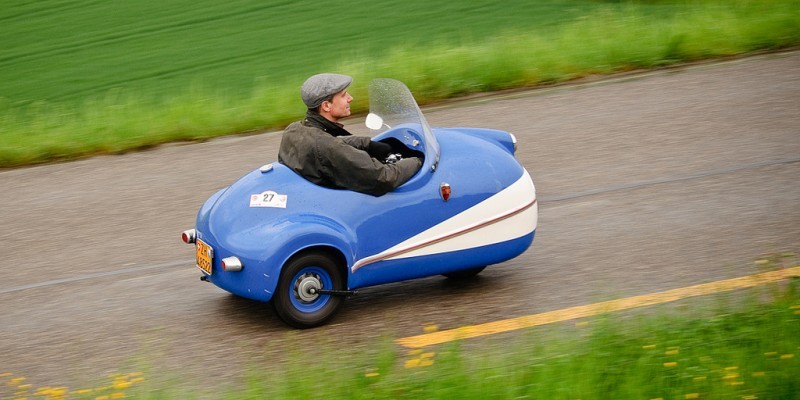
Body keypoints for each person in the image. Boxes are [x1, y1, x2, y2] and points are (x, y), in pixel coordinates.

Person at [278, 73, 422, 196]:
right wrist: (419, 160)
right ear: (326, 106)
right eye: (343, 95)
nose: (350, 98)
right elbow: (383, 178)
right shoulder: (327, 147)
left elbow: (333, 142)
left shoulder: (294, 129)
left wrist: (369, 144)